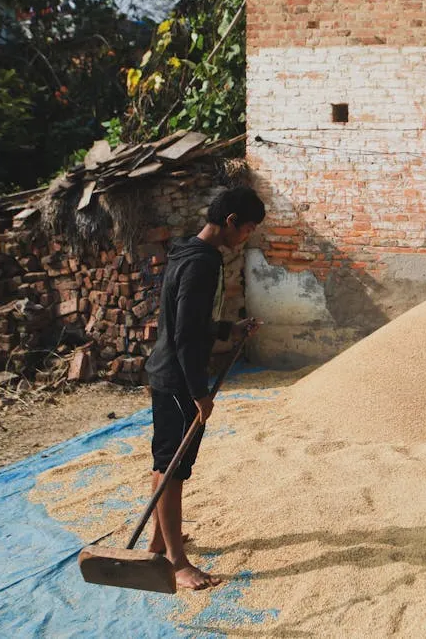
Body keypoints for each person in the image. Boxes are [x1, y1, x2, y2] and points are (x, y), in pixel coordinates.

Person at [144, 186, 265, 589]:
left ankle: (159, 540)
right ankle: (176, 563)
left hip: (171, 372)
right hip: (179, 377)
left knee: (165, 460)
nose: (246, 237)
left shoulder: (187, 252)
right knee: (173, 467)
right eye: (247, 229)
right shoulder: (202, 265)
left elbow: (191, 322)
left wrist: (229, 329)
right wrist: (199, 392)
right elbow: (184, 334)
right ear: (230, 221)